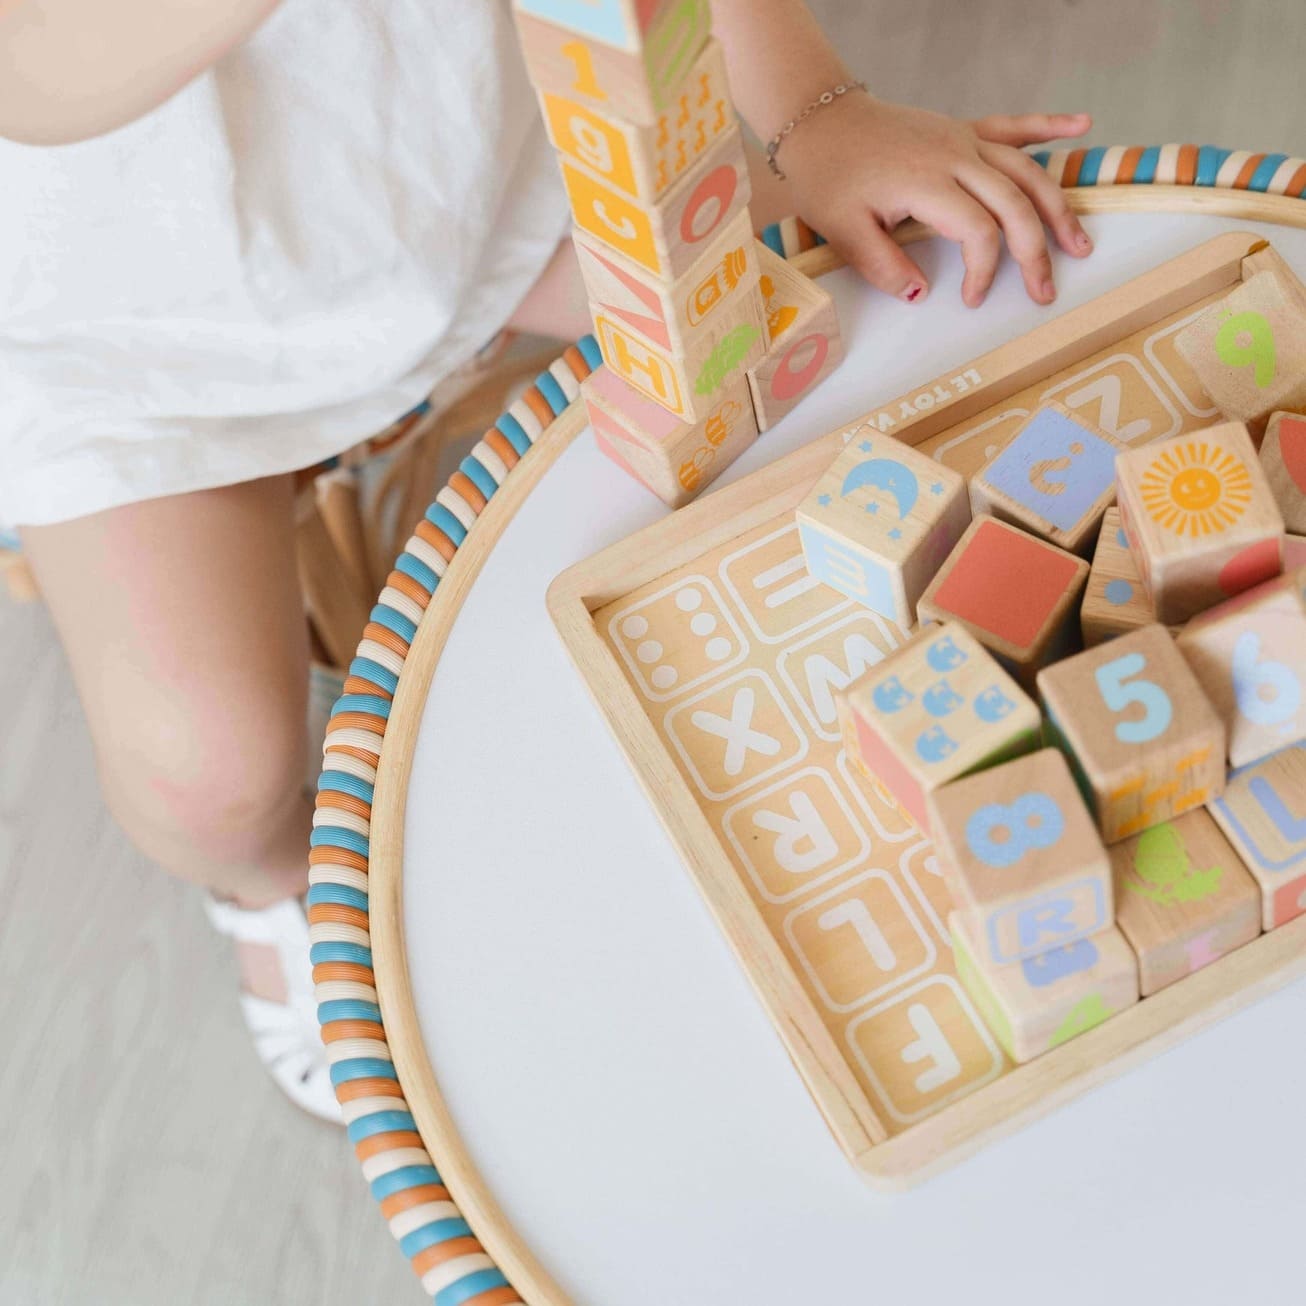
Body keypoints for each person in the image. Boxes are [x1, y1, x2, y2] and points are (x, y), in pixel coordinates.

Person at [1, 0, 1093, 1120]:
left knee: (904, 269)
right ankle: (273, 884)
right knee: (209, 772)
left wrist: (819, 115)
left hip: (481, 181)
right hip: (130, 334)